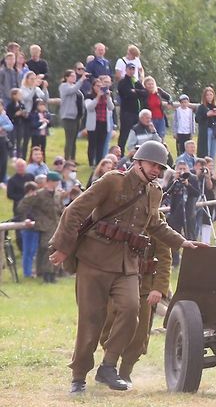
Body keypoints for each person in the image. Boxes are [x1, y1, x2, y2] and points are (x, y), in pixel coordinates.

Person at [49, 140, 205, 393]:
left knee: (132, 310)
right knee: (91, 321)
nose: (156, 170)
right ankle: (78, 378)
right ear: (139, 161)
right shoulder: (113, 181)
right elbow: (74, 211)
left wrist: (182, 241)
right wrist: (64, 247)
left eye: (160, 167)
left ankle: (108, 367)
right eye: (153, 164)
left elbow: (155, 225)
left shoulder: (154, 192)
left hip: (127, 264)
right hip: (94, 260)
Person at [99, 238, 173, 389]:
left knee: (140, 333)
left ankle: (125, 371)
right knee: (109, 327)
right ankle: (107, 367)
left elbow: (165, 259)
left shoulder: (156, 222)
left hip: (144, 286)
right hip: (114, 282)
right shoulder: (116, 216)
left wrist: (158, 288)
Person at [57, 69, 83, 162]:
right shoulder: (64, 86)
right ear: (66, 77)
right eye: (71, 76)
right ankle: (67, 158)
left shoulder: (75, 87)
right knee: (69, 138)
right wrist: (81, 80)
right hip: (68, 116)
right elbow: (72, 91)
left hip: (77, 116)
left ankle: (73, 158)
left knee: (74, 139)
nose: (74, 78)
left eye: (75, 76)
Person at [195, 86, 216, 159]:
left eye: (211, 94)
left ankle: (212, 169)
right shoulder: (201, 107)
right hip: (206, 131)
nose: (209, 96)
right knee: (205, 154)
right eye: (207, 95)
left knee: (213, 154)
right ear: (204, 96)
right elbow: (197, 119)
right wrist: (206, 115)